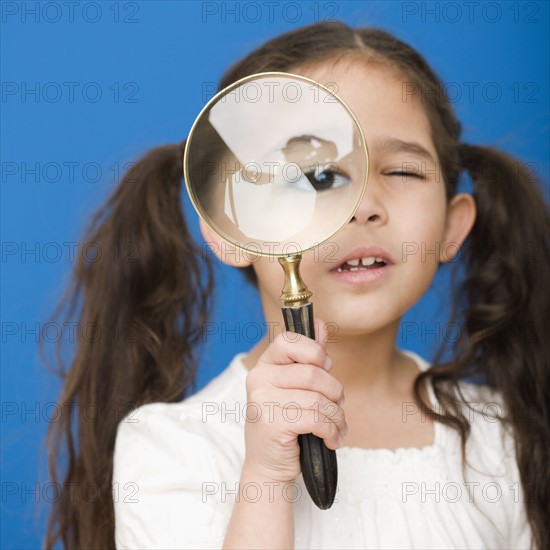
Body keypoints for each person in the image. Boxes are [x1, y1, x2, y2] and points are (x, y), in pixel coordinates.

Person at [44, 21, 549, 550]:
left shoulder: (502, 437)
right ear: (231, 229)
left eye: (401, 172)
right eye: (319, 177)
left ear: (452, 226)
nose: (364, 206)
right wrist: (264, 476)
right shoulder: (175, 446)